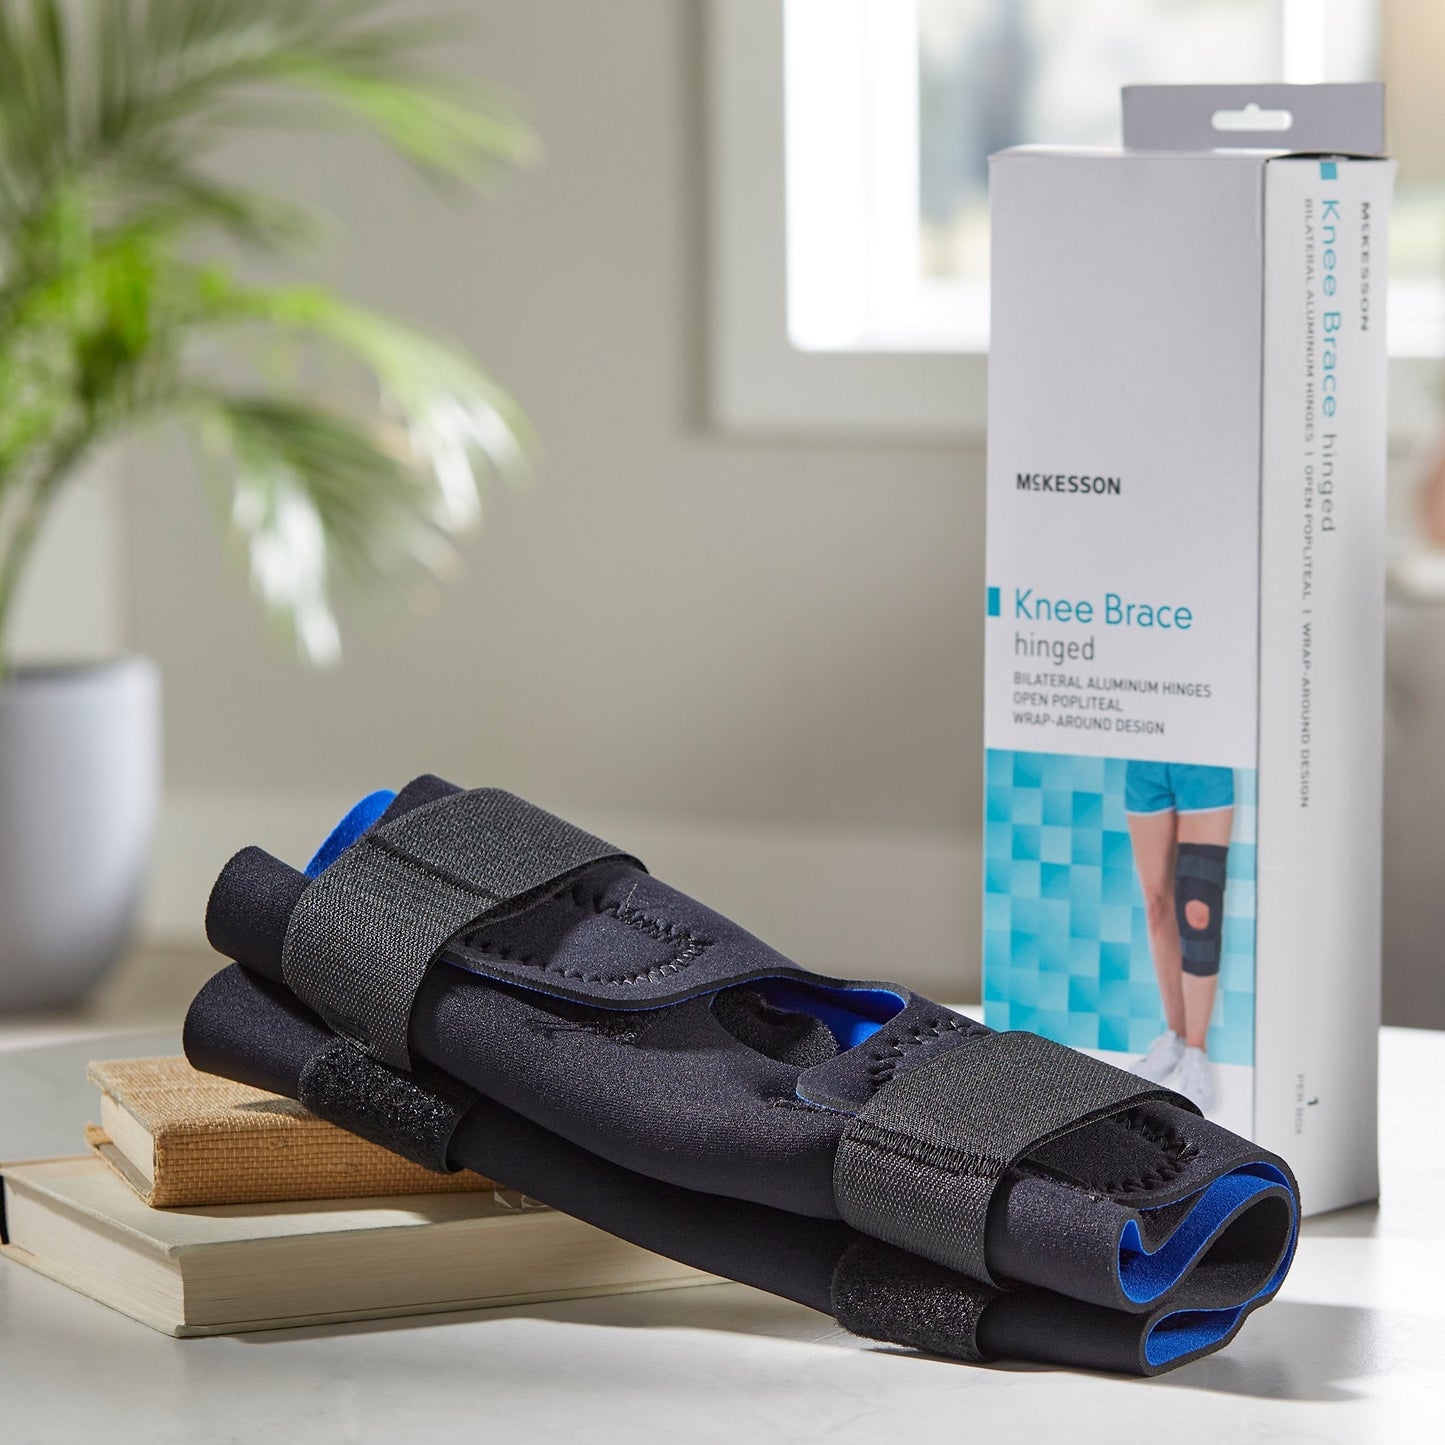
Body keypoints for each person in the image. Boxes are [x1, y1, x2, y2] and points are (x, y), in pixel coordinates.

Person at [1123, 761, 1234, 1111]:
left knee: (1201, 908)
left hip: (1204, 764)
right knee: (1157, 905)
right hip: (1147, 762)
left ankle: (1196, 1050)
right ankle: (1175, 1038)